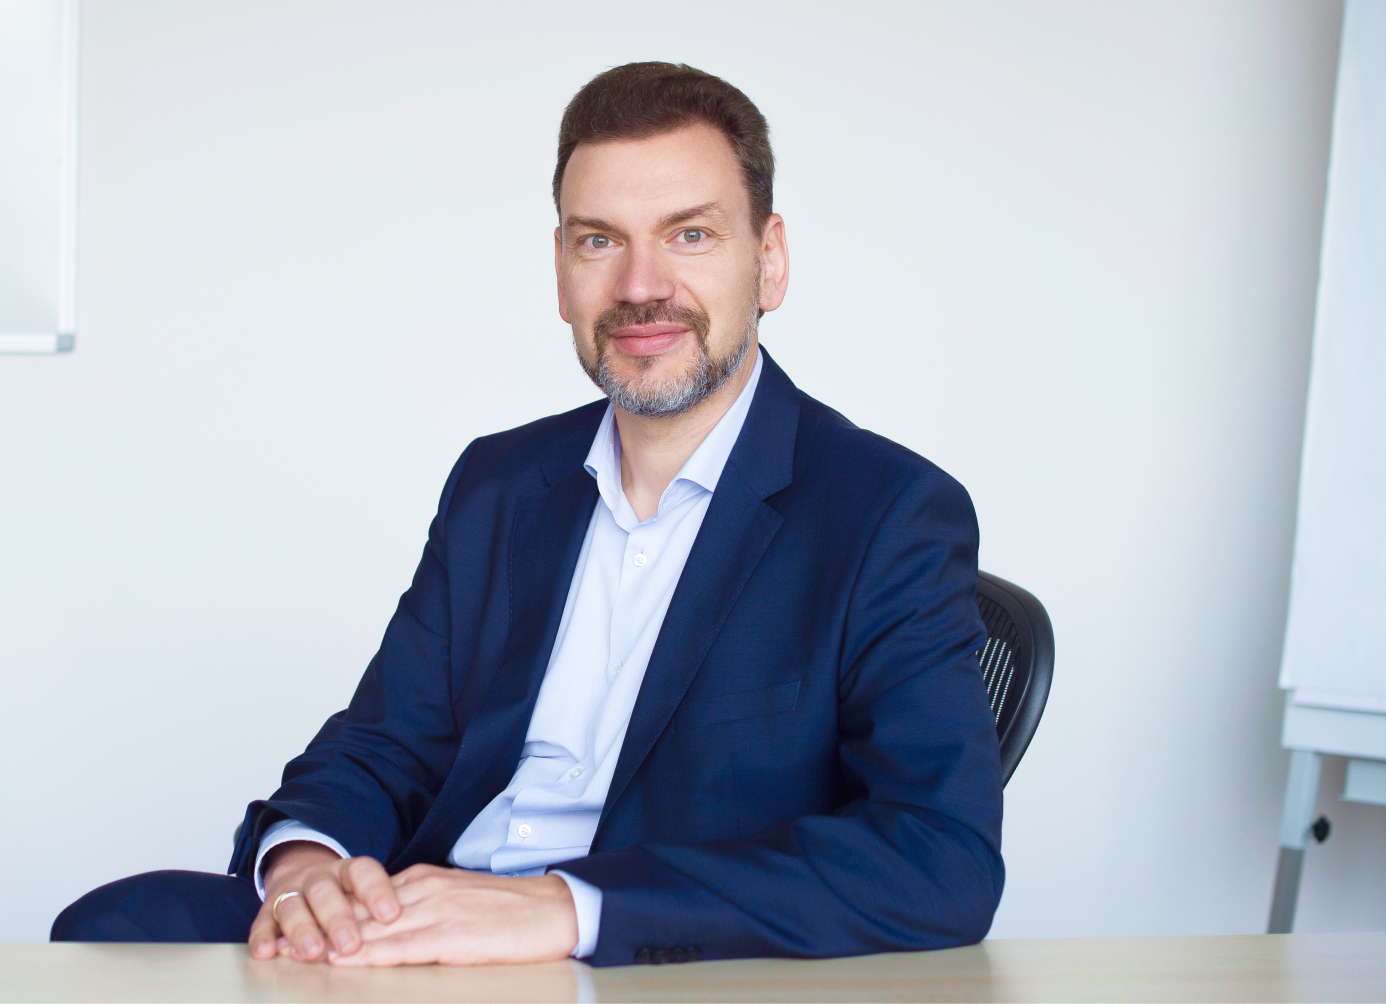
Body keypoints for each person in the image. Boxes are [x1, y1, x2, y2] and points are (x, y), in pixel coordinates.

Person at [53, 61, 1004, 968]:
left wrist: (565, 910)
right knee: (114, 929)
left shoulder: (886, 514)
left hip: (637, 956)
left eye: (689, 235)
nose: (640, 286)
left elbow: (938, 858)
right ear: (561, 272)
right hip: (420, 923)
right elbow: (386, 742)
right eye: (600, 240)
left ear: (770, 261)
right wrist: (309, 868)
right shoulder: (500, 485)